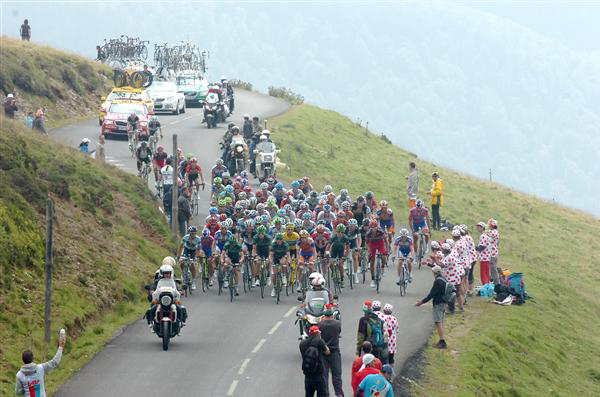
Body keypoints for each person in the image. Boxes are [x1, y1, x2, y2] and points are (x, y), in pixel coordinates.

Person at [16, 330, 66, 397]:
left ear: (23, 360)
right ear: (33, 358)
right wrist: (60, 347)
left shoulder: (19, 375)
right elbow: (55, 362)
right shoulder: (40, 368)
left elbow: (19, 392)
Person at [416, 265, 448, 349]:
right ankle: (442, 340)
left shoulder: (438, 282)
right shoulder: (444, 279)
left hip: (438, 303)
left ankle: (442, 341)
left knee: (438, 322)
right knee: (440, 322)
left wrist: (421, 302)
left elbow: (431, 294)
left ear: (434, 273)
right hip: (444, 303)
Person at [319, 303, 344, 397]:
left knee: (324, 376)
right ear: (332, 315)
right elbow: (339, 332)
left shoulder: (320, 324)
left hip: (323, 352)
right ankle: (339, 394)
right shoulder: (337, 324)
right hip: (335, 352)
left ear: (324, 316)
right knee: (337, 375)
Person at [300, 325, 330, 397]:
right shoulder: (319, 341)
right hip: (318, 375)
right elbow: (327, 352)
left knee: (308, 394)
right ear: (317, 333)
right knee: (322, 394)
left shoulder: (302, 344)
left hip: (308, 375)